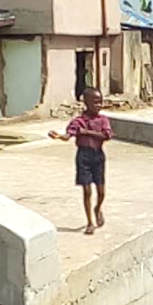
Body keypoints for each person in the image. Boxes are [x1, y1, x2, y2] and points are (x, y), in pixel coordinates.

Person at [48, 88, 113, 235]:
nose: (99, 105)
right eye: (95, 102)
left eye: (100, 102)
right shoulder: (78, 122)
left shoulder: (103, 120)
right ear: (86, 103)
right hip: (84, 156)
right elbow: (68, 135)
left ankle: (97, 208)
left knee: (101, 191)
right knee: (87, 191)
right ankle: (90, 222)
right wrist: (58, 136)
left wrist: (86, 132)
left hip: (98, 156)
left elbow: (107, 135)